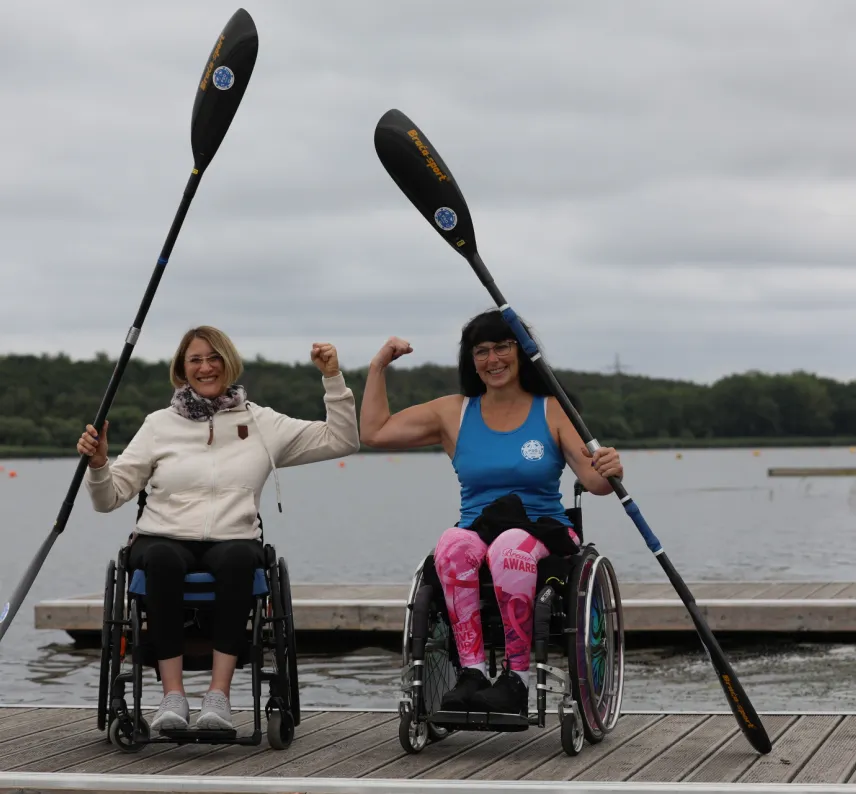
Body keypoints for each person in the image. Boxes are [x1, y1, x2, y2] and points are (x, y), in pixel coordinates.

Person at [77, 326, 360, 732]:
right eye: (195, 360)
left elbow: (343, 440)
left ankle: (218, 697)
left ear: (229, 363)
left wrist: (332, 378)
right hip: (163, 535)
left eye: (214, 358)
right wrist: (100, 464)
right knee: (160, 559)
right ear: (182, 369)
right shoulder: (158, 424)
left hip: (233, 538)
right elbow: (108, 499)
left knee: (240, 559)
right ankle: (172, 696)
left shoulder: (263, 423)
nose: (206, 367)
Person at [359, 309, 624, 716]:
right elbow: (374, 432)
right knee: (450, 545)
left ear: (522, 352)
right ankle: (473, 672)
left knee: (508, 548)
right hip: (479, 528)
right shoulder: (454, 412)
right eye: (481, 351)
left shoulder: (552, 408)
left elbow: (596, 483)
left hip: (541, 530)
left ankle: (516, 678)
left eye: (503, 347)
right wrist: (378, 367)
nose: (493, 359)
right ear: (471, 360)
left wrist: (610, 468)